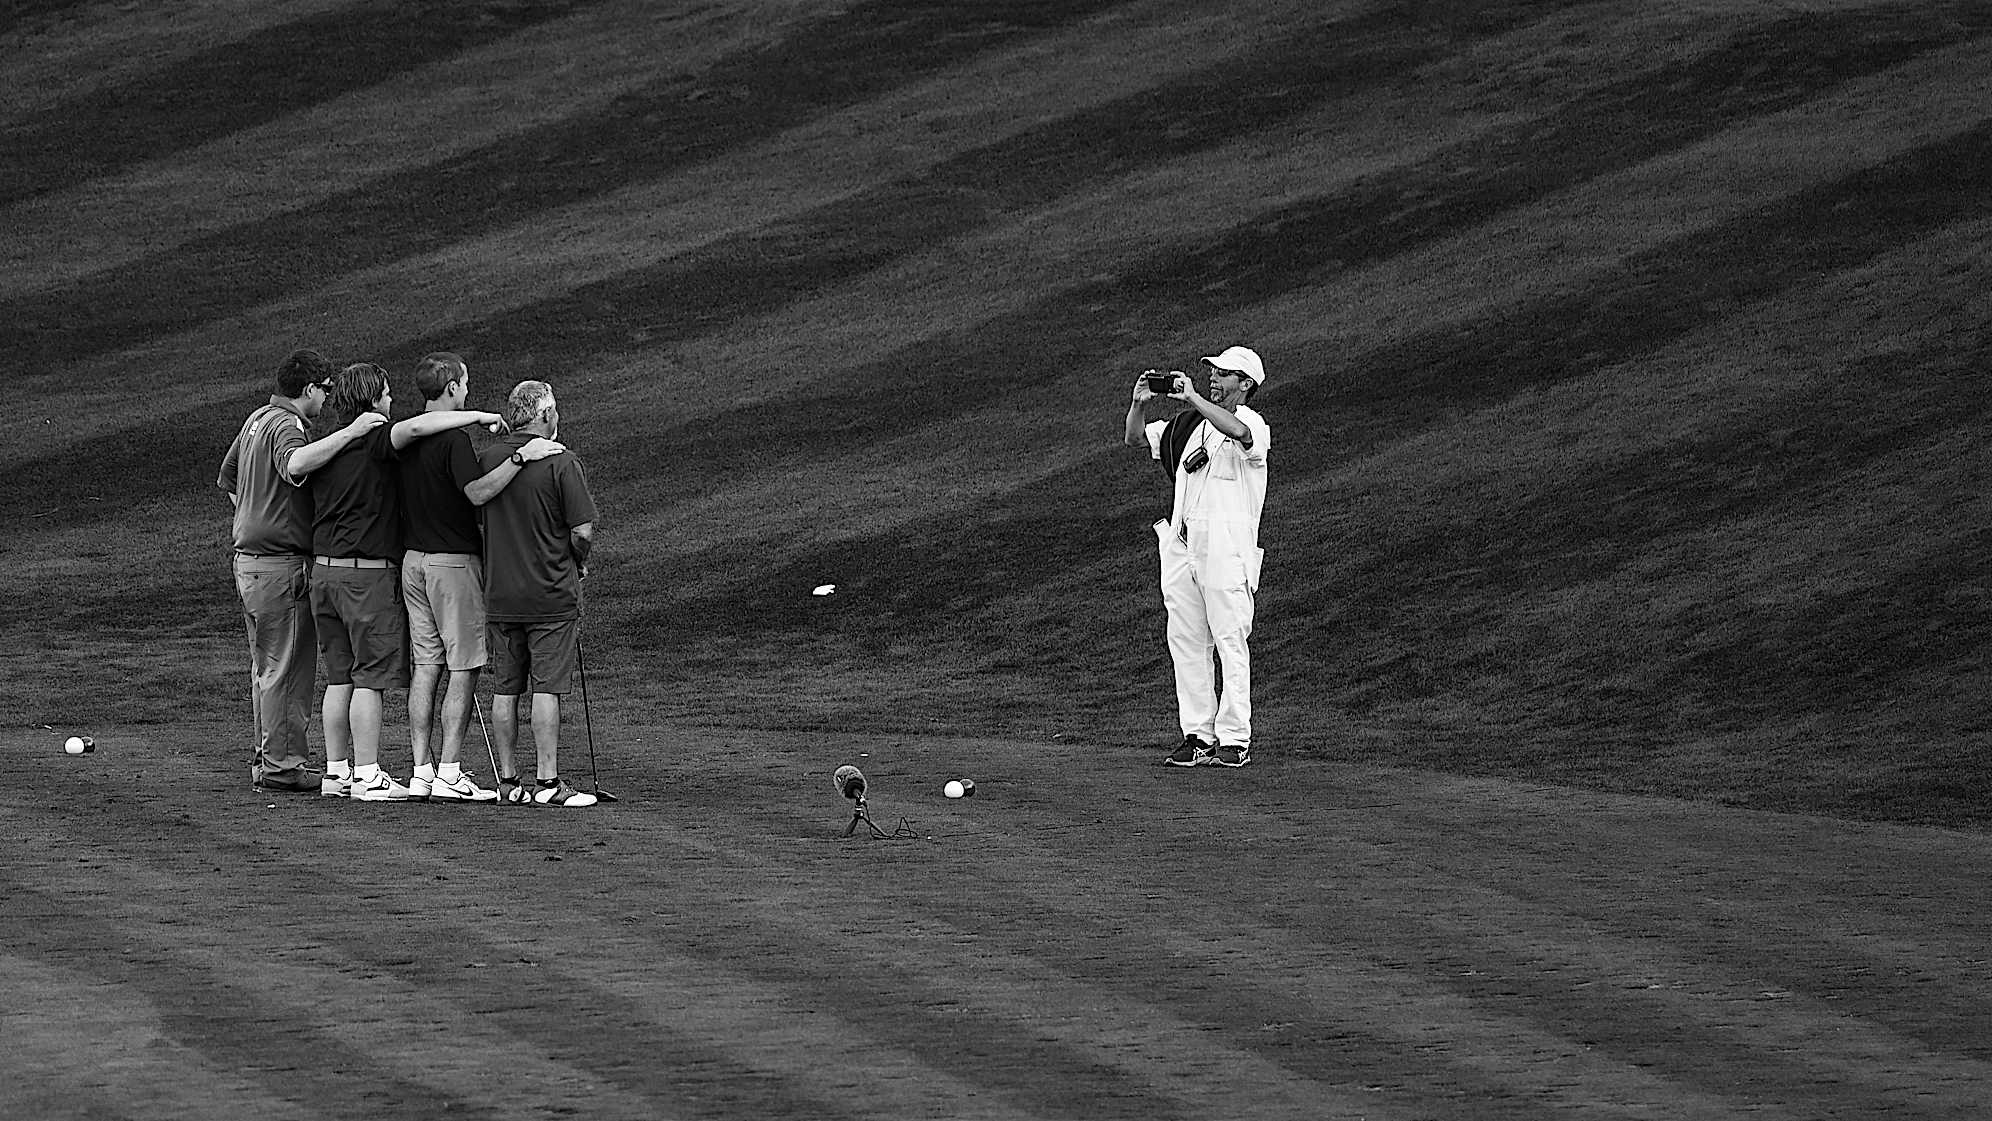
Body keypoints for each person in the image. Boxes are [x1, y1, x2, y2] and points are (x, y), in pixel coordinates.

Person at [309, 362, 506, 802]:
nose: (391, 401)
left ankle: (353, 771)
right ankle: (386, 774)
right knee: (377, 678)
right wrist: (482, 421)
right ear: (373, 399)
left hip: (333, 571)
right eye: (385, 394)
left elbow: (295, 465)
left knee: (350, 675)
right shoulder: (382, 436)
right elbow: (420, 433)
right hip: (381, 574)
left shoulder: (326, 444)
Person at [398, 352, 565, 803]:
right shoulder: (452, 441)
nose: (468, 390)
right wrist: (519, 457)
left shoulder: (405, 436)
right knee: (465, 666)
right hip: (451, 564)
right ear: (452, 386)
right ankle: (449, 771)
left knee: (427, 664)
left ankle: (421, 770)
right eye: (466, 383)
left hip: (412, 561)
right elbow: (476, 494)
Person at [218, 349, 387, 794]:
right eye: (325, 391)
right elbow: (295, 464)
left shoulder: (256, 418)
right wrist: (351, 432)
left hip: (249, 562)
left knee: (266, 668)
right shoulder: (288, 425)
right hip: (279, 565)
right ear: (309, 390)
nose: (327, 401)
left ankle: (266, 758)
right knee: (287, 669)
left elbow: (229, 477)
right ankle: (283, 766)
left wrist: (253, 515)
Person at [1122, 345, 1271, 768]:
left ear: (1245, 384)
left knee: (1229, 640)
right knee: (1186, 642)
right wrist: (1138, 405)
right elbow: (1135, 438)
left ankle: (1235, 738)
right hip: (1181, 547)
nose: (1213, 377)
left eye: (1224, 374)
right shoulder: (1188, 425)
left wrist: (1194, 399)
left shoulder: (1251, 423)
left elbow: (1239, 435)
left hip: (1227, 551)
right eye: (1211, 371)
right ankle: (1198, 735)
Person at [477, 379, 599, 808]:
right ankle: (548, 783)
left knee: (506, 688)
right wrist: (576, 560)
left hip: (500, 594)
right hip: (550, 593)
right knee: (547, 689)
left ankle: (508, 781)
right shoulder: (562, 462)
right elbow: (582, 530)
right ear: (545, 415)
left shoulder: (490, 459)